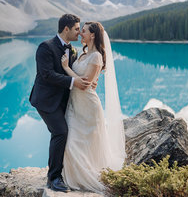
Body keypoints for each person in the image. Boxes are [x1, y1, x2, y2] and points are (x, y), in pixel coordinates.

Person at [29, 14, 91, 193]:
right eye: (77, 29)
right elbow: (46, 74)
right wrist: (73, 83)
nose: (79, 33)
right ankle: (54, 178)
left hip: (64, 100)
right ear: (67, 29)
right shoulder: (45, 47)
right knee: (60, 131)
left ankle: (66, 172)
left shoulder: (73, 50)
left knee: (64, 133)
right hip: (46, 100)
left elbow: (71, 71)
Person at [61, 21, 126, 193]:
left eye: (83, 31)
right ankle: (74, 177)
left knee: (84, 144)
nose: (80, 34)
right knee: (71, 142)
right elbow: (87, 80)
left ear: (93, 35)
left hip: (89, 107)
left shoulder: (96, 56)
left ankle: (84, 180)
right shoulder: (82, 54)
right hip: (75, 106)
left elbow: (84, 84)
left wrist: (66, 68)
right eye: (80, 30)